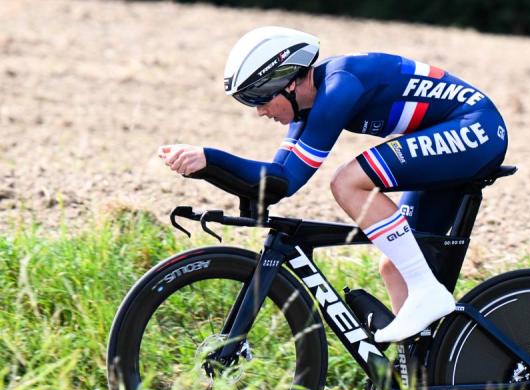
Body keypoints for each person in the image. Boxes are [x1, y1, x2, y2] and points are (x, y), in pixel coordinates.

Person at [158, 27, 508, 343]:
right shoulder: (307, 109)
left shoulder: (340, 86)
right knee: (395, 265)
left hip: (475, 128)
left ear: (290, 82)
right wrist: (206, 166)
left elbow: (289, 179)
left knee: (348, 182)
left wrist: (210, 157)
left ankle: (426, 291)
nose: (259, 111)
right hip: (454, 134)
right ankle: (420, 382)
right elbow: (279, 183)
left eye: (260, 97)